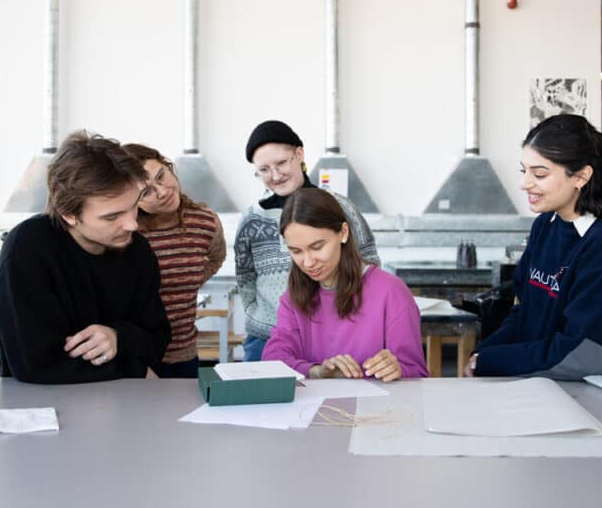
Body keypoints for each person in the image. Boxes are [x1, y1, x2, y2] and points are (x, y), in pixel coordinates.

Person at [465, 113, 602, 379]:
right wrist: (483, 354)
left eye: (539, 174)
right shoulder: (546, 224)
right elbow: (524, 311)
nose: (524, 183)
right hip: (549, 387)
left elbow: (583, 353)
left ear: (581, 176)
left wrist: (494, 361)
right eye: (524, 170)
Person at [0, 131, 170, 384]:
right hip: (45, 409)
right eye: (112, 217)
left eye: (134, 205)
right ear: (69, 214)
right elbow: (34, 364)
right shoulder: (28, 248)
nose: (133, 224)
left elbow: (158, 338)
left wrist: (117, 336)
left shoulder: (138, 251)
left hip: (127, 407)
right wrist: (133, 368)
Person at [235, 119, 380, 361]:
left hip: (332, 337)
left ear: (299, 154)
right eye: (264, 169)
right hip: (266, 340)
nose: (276, 175)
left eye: (281, 163)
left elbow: (369, 265)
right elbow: (245, 276)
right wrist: (257, 315)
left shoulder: (340, 207)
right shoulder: (250, 220)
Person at [262, 188, 426, 380]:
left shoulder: (391, 292)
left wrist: (397, 369)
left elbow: (416, 373)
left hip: (377, 410)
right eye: (296, 251)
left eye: (317, 247)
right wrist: (317, 372)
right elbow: (273, 361)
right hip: (312, 409)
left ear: (343, 233)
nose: (307, 262)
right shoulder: (293, 298)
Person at [123, 143, 226, 378]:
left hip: (186, 355)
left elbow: (217, 256)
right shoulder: (128, 231)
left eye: (161, 176)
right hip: (137, 358)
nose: (162, 191)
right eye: (146, 192)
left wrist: (190, 279)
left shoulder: (205, 221)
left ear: (169, 167)